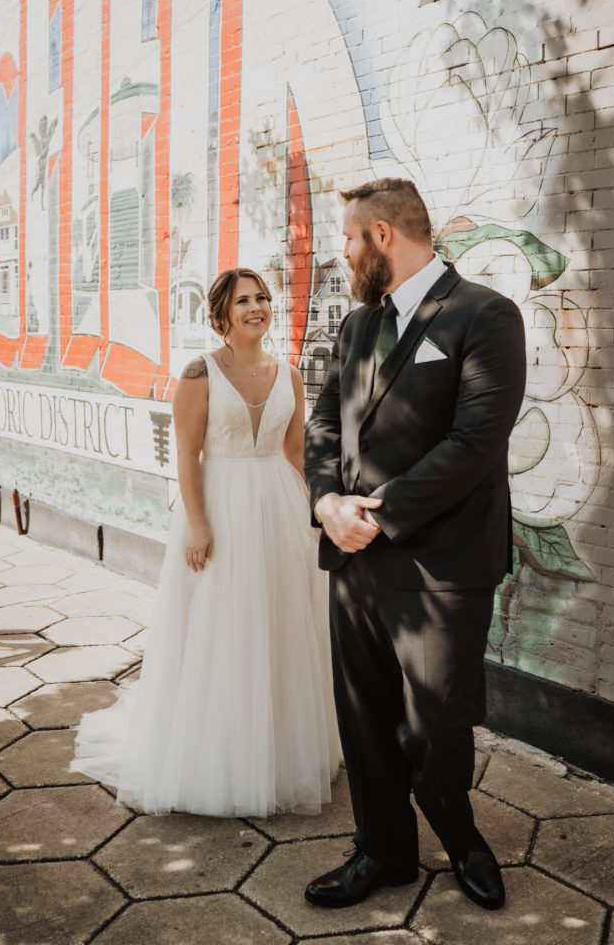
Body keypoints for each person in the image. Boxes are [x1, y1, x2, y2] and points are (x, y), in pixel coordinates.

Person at [303, 178, 526, 910]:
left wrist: (375, 508)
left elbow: (474, 442)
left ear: (380, 237)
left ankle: (460, 839)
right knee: (363, 715)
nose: (340, 253)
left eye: (345, 238)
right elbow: (324, 426)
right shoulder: (355, 328)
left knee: (435, 722)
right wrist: (327, 501)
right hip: (352, 554)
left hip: (442, 564)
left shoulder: (485, 315)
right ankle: (383, 852)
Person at [72, 268, 339, 817]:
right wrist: (197, 523)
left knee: (281, 625)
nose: (257, 307)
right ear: (222, 313)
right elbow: (187, 454)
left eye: (263, 298)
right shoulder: (200, 372)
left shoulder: (287, 373)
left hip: (280, 507)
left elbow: (294, 451)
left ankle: (278, 751)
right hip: (221, 506)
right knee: (225, 630)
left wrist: (318, 503)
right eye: (244, 300)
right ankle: (218, 757)